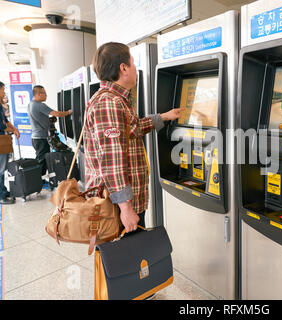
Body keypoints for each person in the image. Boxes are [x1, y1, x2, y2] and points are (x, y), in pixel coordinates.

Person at [85, 42, 180, 233]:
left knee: (126, 258)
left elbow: (131, 129)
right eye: (134, 63)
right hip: (117, 207)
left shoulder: (115, 99)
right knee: (124, 257)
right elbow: (112, 161)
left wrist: (163, 117)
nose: (136, 68)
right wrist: (126, 208)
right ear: (123, 68)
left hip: (123, 202)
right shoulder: (109, 103)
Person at [27, 85, 72, 181]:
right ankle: (40, 182)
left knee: (41, 160)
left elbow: (39, 118)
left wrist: (48, 120)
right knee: (42, 161)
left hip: (36, 138)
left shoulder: (30, 104)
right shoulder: (39, 105)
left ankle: (40, 181)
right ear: (39, 94)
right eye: (45, 94)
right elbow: (58, 114)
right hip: (41, 138)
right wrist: (69, 112)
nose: (46, 96)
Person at [0, 81, 20, 204]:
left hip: (3, 140)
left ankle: (3, 191)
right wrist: (11, 129)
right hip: (1, 140)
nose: (4, 92)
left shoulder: (0, 106)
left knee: (3, 168)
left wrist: (15, 129)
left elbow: (6, 121)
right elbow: (2, 126)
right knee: (0, 169)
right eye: (2, 89)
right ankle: (1, 196)